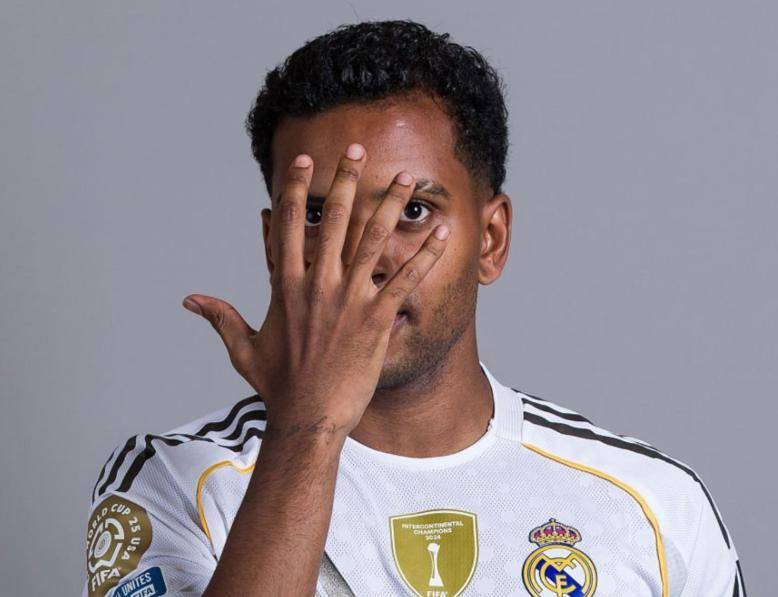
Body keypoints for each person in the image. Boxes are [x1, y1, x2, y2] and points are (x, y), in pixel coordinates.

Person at [83, 20, 745, 597]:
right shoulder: (173, 482)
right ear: (272, 245)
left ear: (491, 240)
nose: (362, 257)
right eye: (316, 215)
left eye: (414, 210)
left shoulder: (655, 506)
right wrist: (308, 428)